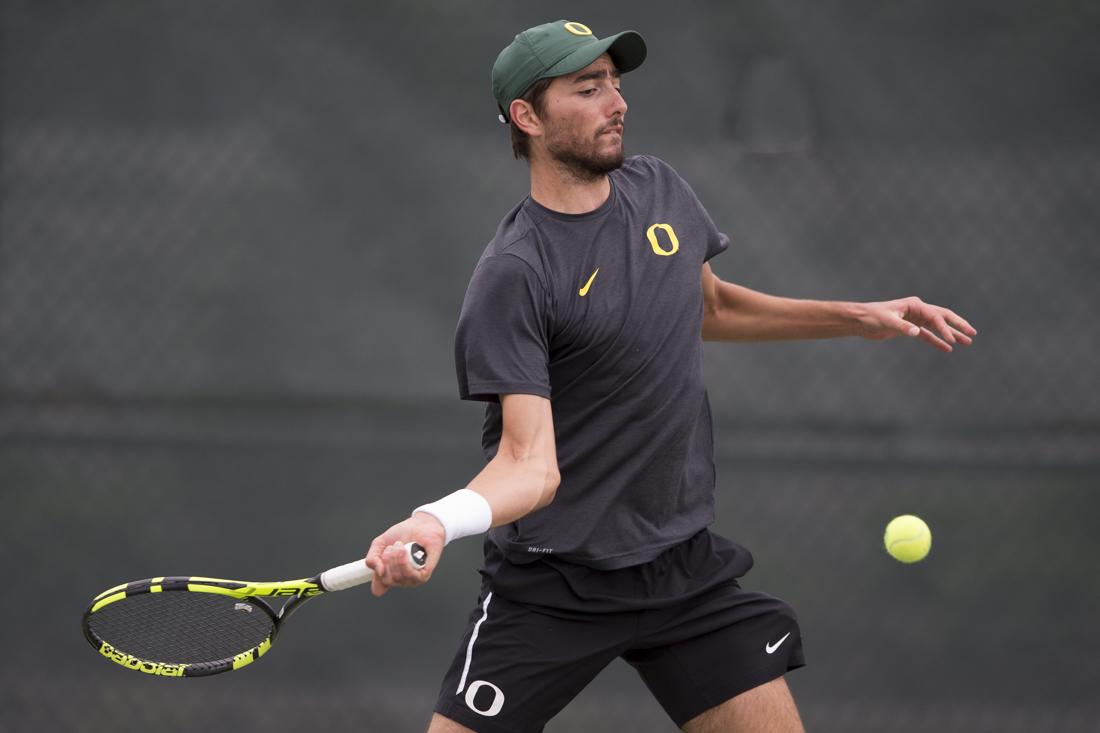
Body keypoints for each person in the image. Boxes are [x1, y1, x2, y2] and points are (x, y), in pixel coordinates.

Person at [364, 20, 976, 733]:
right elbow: (530, 465)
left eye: (616, 84)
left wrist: (857, 314)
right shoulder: (515, 275)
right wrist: (437, 519)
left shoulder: (659, 191)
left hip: (680, 568)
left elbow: (707, 303)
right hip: (557, 585)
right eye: (587, 88)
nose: (616, 102)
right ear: (527, 117)